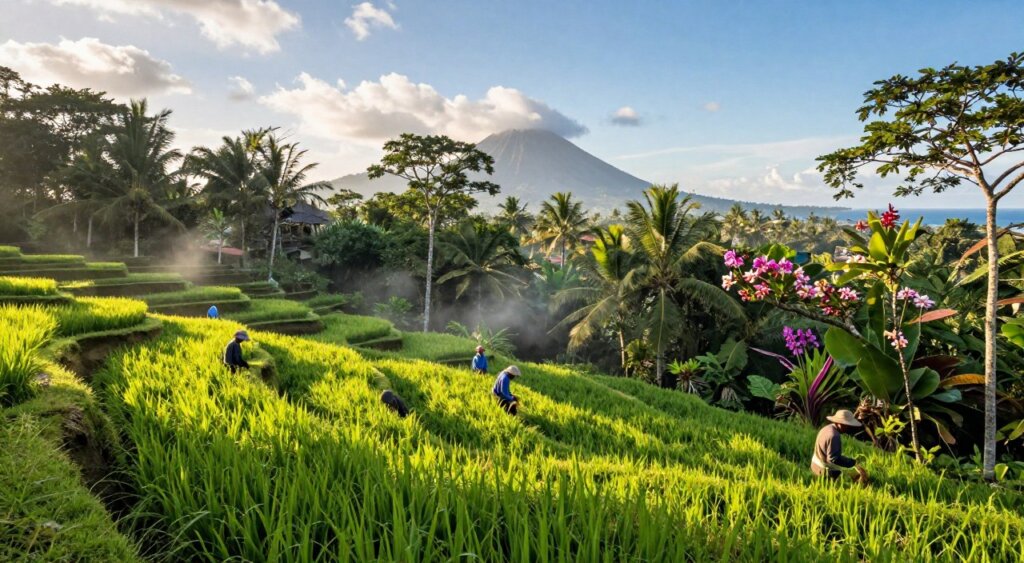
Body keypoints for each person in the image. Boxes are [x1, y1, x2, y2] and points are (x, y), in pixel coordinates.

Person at [811, 409, 863, 479]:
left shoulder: (826, 428)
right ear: (840, 423)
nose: (848, 428)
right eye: (847, 425)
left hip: (815, 465)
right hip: (824, 471)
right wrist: (852, 462)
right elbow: (834, 459)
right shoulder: (834, 436)